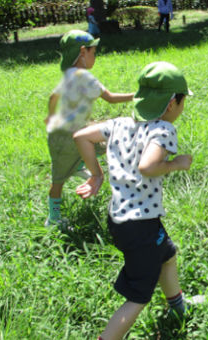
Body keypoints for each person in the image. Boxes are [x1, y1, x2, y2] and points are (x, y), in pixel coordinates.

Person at [73, 61, 203, 340]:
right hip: (140, 225)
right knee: (139, 295)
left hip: (120, 219)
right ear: (172, 103)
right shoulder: (163, 130)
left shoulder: (119, 124)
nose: (182, 108)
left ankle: (178, 308)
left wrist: (96, 175)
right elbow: (147, 166)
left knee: (167, 255)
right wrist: (177, 164)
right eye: (182, 102)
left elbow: (81, 136)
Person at [44, 30, 134, 227]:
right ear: (83, 52)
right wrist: (135, 95)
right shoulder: (85, 77)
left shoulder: (68, 74)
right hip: (67, 140)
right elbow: (110, 98)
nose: (95, 56)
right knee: (58, 180)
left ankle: (77, 165)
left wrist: (50, 116)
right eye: (94, 52)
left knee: (100, 143)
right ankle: (53, 219)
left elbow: (53, 97)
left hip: (63, 134)